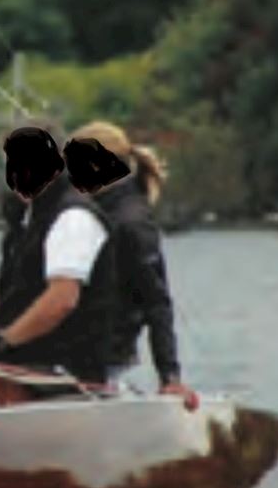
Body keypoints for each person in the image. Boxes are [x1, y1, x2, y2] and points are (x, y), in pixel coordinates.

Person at [0, 126, 118, 384]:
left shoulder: (73, 218)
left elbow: (62, 299)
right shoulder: (27, 219)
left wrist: (5, 341)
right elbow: (9, 286)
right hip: (22, 365)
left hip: (65, 371)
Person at [65, 121, 197, 408]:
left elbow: (157, 303)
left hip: (105, 352)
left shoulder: (131, 222)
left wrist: (169, 377)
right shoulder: (98, 210)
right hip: (80, 343)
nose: (69, 176)